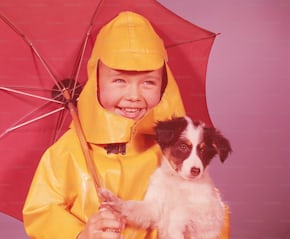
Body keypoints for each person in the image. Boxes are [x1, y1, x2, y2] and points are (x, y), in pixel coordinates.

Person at [23, 11, 230, 239]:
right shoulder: (68, 153)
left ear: (164, 85)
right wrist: (82, 234)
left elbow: (206, 211)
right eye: (120, 80)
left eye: (148, 82)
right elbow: (42, 210)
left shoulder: (173, 150)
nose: (134, 96)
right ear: (97, 82)